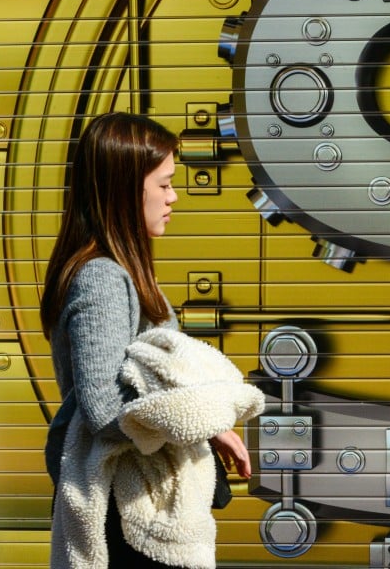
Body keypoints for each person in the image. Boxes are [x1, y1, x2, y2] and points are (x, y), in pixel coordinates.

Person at [41, 112, 258, 568]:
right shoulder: (102, 277)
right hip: (129, 510)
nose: (173, 196)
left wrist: (212, 428)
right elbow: (103, 407)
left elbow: (145, 383)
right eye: (163, 184)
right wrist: (199, 415)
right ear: (124, 189)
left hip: (138, 499)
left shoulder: (121, 273)